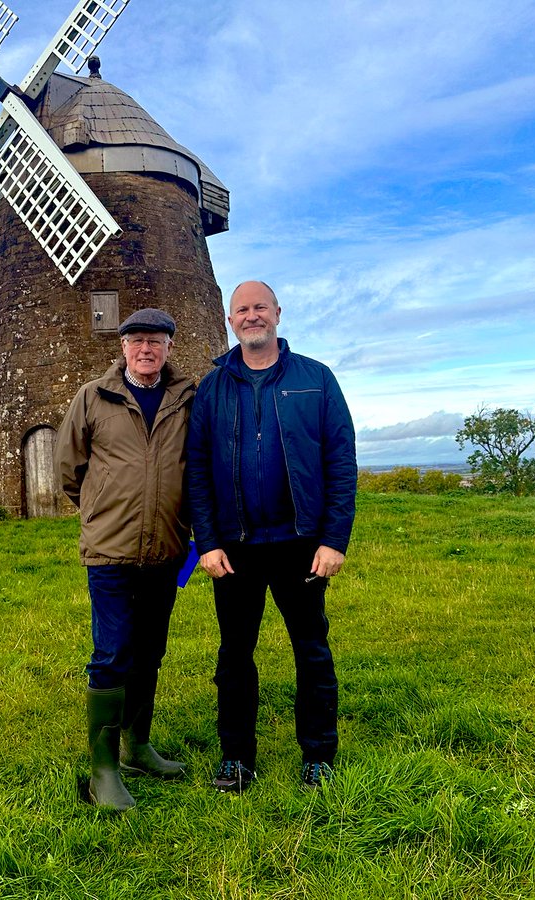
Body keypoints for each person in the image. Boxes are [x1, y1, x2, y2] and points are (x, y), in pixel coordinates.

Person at [186, 280, 357, 793]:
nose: (251, 316)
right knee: (234, 653)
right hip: (234, 547)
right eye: (242, 310)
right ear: (230, 320)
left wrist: (334, 539)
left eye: (260, 307)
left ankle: (319, 757)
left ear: (277, 313)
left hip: (300, 543)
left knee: (311, 649)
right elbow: (196, 468)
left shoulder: (317, 379)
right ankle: (237, 759)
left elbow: (340, 463)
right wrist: (207, 541)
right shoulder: (212, 387)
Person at [54, 308, 197, 811]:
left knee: (151, 651)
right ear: (122, 347)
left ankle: (138, 747)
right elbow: (70, 470)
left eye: (155, 341)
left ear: (169, 347)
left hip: (167, 551)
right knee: (112, 653)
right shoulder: (93, 397)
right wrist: (103, 512)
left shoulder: (188, 398)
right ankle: (104, 770)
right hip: (110, 553)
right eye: (136, 340)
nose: (146, 349)